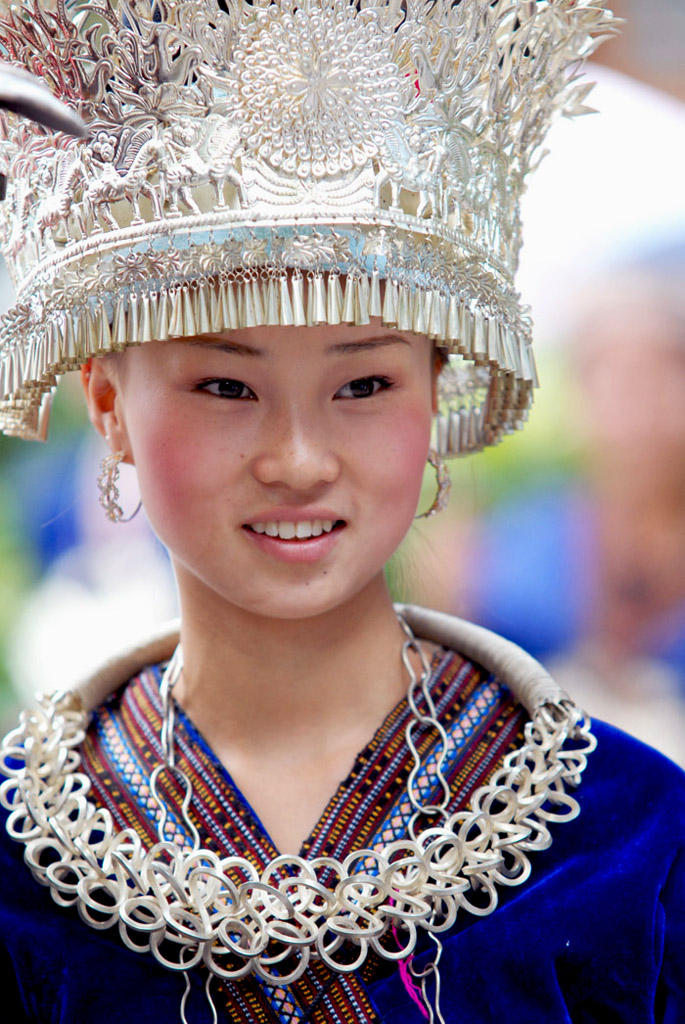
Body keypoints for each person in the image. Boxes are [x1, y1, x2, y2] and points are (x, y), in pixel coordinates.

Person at [0, 2, 683, 1023]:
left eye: (361, 385)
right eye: (225, 388)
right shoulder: (23, 860)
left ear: (435, 389)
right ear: (108, 405)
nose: (298, 458)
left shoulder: (627, 841)